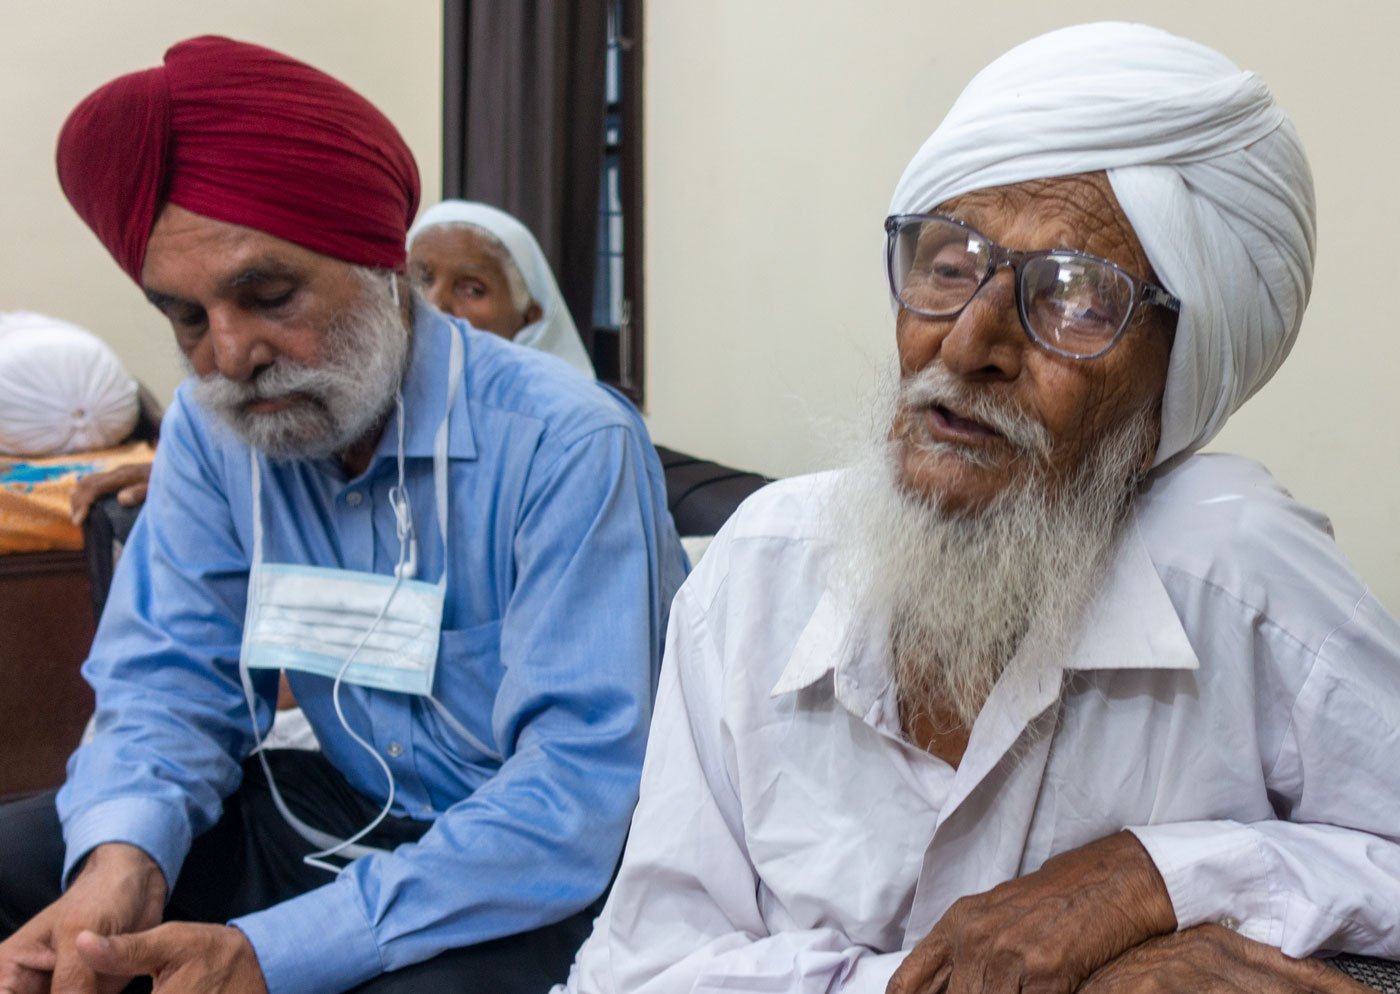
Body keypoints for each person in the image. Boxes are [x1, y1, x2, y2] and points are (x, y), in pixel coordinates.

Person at [557, 22, 1400, 994]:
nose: (966, 346)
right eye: (948, 263)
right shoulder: (761, 567)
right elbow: (634, 971)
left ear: (1178, 376)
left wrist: (1156, 876)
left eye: (1077, 298)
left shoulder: (1231, 568)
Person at [0, 35, 686, 994]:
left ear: (378, 264)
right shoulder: (213, 431)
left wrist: (274, 952)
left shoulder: (566, 443)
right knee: (37, 874)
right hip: (345, 809)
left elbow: (578, 795)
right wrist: (123, 866)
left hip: (536, 876)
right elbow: (165, 685)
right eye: (187, 318)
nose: (229, 356)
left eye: (266, 295)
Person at [406, 200, 595, 377]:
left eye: (472, 290)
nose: (434, 305)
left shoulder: (561, 408)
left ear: (529, 317)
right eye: (419, 281)